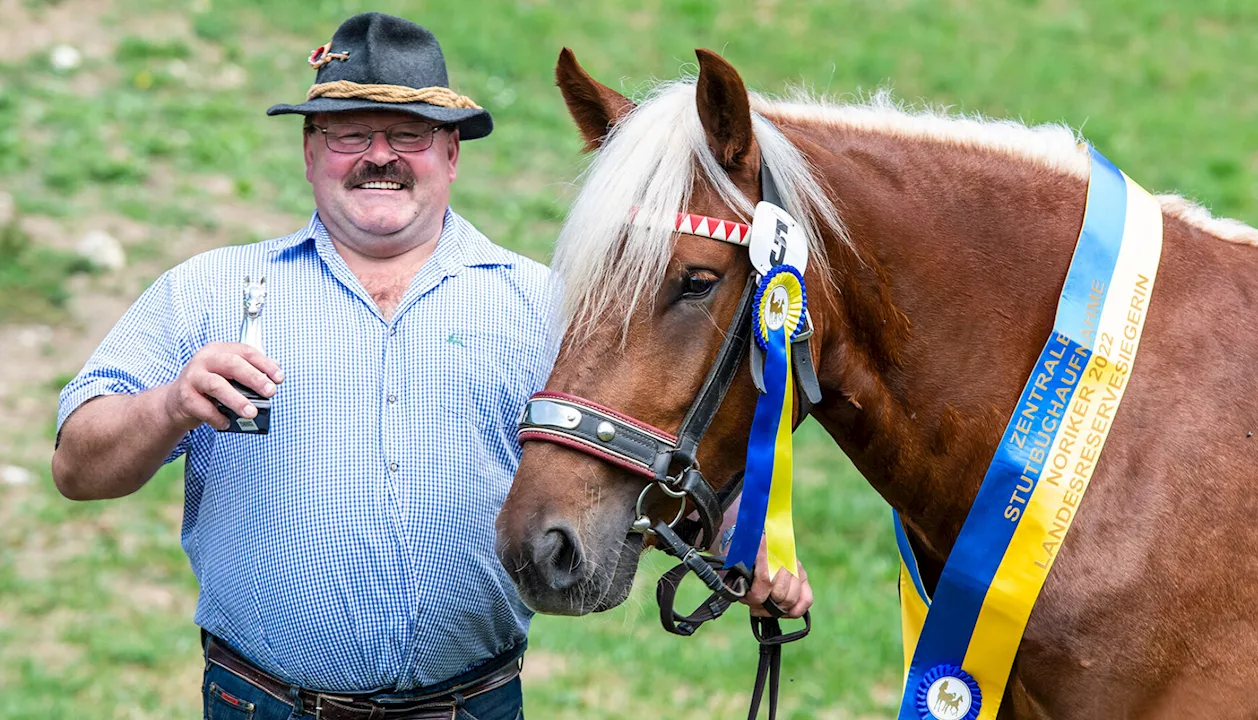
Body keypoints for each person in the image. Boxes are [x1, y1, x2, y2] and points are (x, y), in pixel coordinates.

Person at [52, 12, 810, 720]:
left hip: (470, 705)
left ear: (451, 154)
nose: (380, 155)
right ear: (310, 151)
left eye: (409, 134)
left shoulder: (547, 306)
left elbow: (644, 445)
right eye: (351, 134)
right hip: (264, 702)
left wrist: (749, 543)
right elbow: (76, 467)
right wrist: (170, 405)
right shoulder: (207, 292)